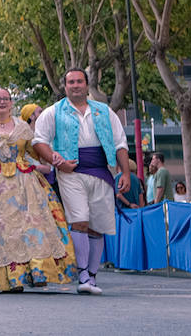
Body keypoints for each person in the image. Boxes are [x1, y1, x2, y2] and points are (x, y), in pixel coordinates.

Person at [0, 87, 75, 293]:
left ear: (11, 103)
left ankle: (32, 273)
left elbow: (37, 153)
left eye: (6, 99)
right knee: (0, 233)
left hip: (23, 186)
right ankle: (6, 280)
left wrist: (55, 159)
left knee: (27, 230)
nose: (2, 102)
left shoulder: (23, 128)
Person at [32, 67, 132, 296]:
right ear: (64, 87)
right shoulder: (53, 112)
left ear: (87, 85)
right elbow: (39, 141)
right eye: (71, 82)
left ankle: (93, 276)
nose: (75, 85)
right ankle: (83, 273)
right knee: (80, 220)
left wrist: (125, 173)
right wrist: (56, 161)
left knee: (98, 225)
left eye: (79, 81)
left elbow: (120, 143)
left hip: (101, 171)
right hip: (70, 172)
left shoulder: (104, 111)